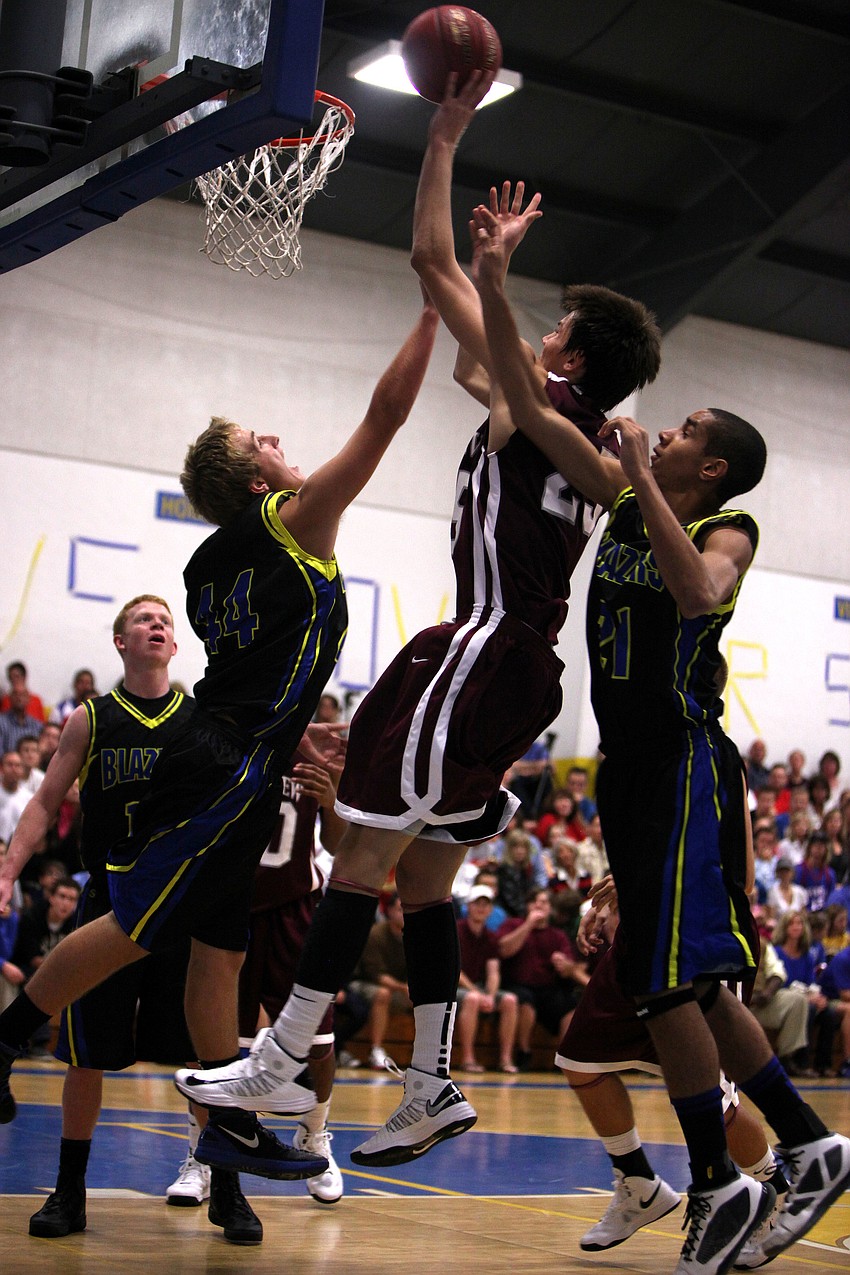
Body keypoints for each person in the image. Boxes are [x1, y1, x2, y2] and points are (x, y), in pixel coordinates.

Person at [173, 69, 663, 1171]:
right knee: (429, 878)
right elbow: (433, 269)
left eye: (552, 331)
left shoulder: (542, 415)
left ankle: (285, 1052)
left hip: (485, 648)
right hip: (502, 663)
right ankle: (435, 1081)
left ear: (569, 358)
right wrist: (445, 135)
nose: (531, 338)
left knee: (361, 854)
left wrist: (479, 235)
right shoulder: (539, 410)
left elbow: (445, 276)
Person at [469, 203, 850, 1270]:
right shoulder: (628, 500)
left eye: (682, 432)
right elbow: (525, 402)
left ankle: (726, 1181)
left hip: (686, 761)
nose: (662, 431)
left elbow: (695, 597)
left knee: (671, 984)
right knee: (679, 984)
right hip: (629, 769)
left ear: (709, 470)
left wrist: (638, 472)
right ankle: (805, 1150)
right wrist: (495, 285)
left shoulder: (725, 527)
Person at [0, 290, 440, 1192]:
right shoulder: (293, 522)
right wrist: (434, 306)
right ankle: (2, 1041)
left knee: (220, 953)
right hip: (224, 765)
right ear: (254, 485)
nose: (277, 440)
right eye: (262, 444)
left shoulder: (209, 565)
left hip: (245, 756)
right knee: (129, 927)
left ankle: (229, 1126)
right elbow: (388, 414)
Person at [0, 596, 262, 1243]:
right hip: (111, 900)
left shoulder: (201, 720)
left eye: (165, 622)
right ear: (120, 641)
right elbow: (44, 801)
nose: (157, 625)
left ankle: (226, 1190)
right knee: (84, 1057)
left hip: (183, 902)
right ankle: (69, 1190)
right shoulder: (91, 718)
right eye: (143, 619)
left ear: (176, 646)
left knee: (212, 1058)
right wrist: (8, 869)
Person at [560, 887, 789, 1269]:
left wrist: (649, 875)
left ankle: (775, 1193)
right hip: (644, 924)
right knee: (580, 1059)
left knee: (710, 1099)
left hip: (707, 923)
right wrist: (617, 893)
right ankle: (637, 1183)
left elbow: (739, 871)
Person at [238, 754, 347, 1205]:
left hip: (297, 906)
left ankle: (315, 1133)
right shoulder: (239, 742)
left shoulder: (316, 758)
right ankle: (200, 1154)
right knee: (222, 1044)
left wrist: (333, 799)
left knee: (319, 1043)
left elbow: (338, 843)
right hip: (236, 904)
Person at [498, 887, 587, 1069]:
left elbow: (569, 969)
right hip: (517, 984)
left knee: (570, 1006)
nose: (539, 905)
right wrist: (528, 925)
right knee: (526, 1001)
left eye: (544, 902)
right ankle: (524, 1051)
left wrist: (564, 965)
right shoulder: (513, 924)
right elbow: (504, 950)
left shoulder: (558, 935)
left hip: (547, 987)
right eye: (534, 901)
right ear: (527, 906)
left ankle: (563, 1059)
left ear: (550, 908)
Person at [455, 884, 518, 1072]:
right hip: (454, 988)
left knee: (510, 1000)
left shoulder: (491, 937)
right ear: (468, 906)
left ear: (491, 909)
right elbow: (454, 971)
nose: (481, 908)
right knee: (473, 999)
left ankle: (506, 1059)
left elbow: (493, 971)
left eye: (486, 904)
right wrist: (478, 993)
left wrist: (490, 995)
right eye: (477, 903)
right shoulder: (455, 931)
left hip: (479, 987)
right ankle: (468, 1059)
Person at [349, 893, 410, 1072]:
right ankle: (376, 1050)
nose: (404, 914)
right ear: (389, 910)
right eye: (400, 909)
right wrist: (403, 987)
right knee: (382, 993)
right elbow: (376, 974)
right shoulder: (375, 934)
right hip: (361, 983)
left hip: (398, 987)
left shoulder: (413, 937)